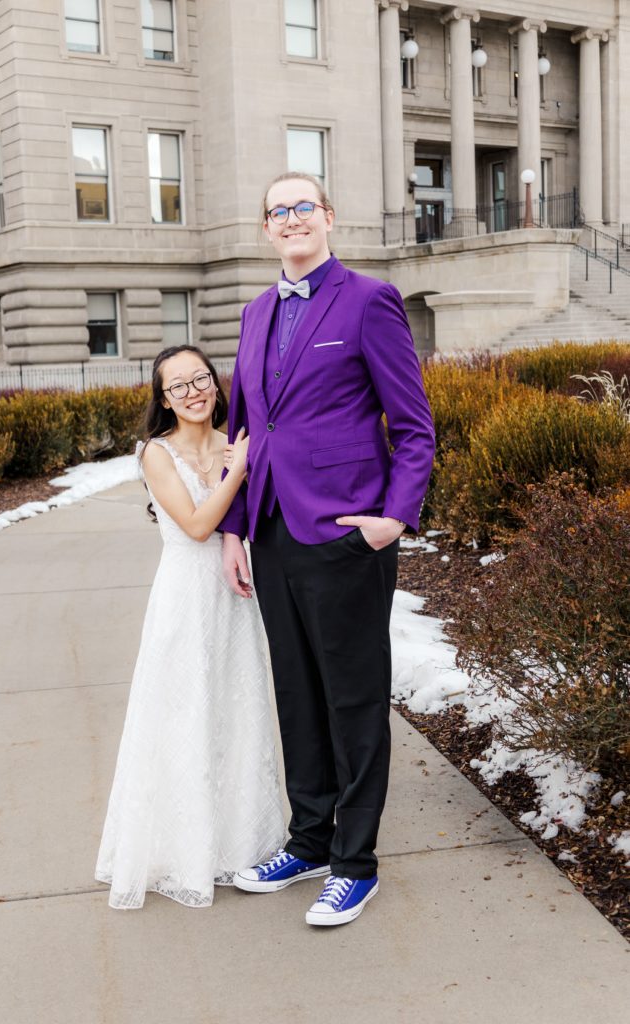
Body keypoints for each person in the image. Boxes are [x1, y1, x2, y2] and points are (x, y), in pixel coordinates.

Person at [220, 172, 435, 927]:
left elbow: (412, 426)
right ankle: (308, 839)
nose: (289, 220)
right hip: (274, 532)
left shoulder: (367, 300)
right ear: (266, 229)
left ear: (328, 218)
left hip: (346, 534)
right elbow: (243, 439)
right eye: (275, 211)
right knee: (297, 696)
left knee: (351, 699)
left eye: (301, 207)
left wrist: (391, 519)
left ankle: (354, 861)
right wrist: (233, 530)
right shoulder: (252, 314)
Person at [95, 345, 285, 910]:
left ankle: (237, 841)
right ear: (163, 399)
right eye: (177, 387)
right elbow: (200, 524)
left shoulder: (236, 441)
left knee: (235, 709)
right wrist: (242, 467)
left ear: (215, 383)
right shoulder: (157, 452)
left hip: (233, 597)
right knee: (181, 716)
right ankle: (183, 849)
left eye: (199, 379)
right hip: (183, 602)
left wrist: (241, 459)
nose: (192, 392)